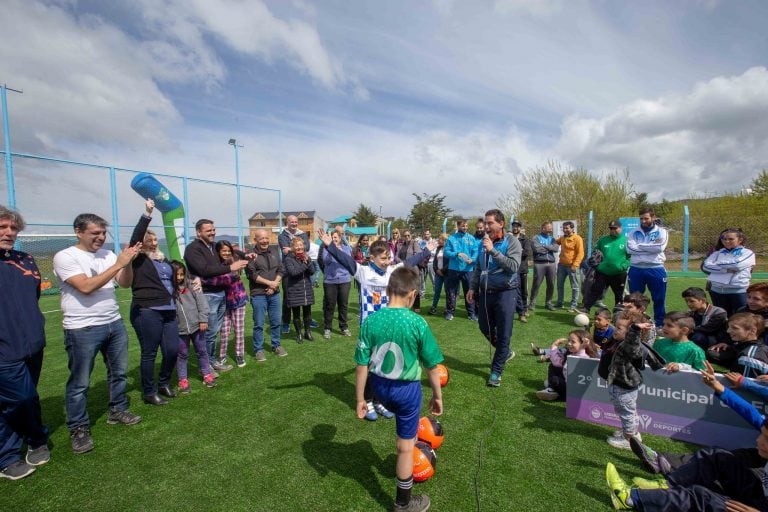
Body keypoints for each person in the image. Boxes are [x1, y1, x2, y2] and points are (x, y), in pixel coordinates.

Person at [606, 360, 768, 511]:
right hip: (760, 492)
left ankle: (629, 498)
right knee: (717, 456)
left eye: (766, 439)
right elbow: (752, 415)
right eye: (762, 435)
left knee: (702, 496)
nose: (758, 439)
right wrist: (718, 387)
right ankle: (666, 483)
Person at [353, 266, 444, 512]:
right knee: (405, 446)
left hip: (379, 388)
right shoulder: (417, 322)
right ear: (412, 294)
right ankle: (403, 504)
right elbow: (432, 367)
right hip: (407, 392)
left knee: (406, 437)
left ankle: (391, 421)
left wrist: (361, 398)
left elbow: (361, 365)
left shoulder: (371, 320)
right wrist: (437, 396)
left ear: (388, 289)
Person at [53, 211, 143, 454]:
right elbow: (86, 287)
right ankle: (79, 428)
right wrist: (119, 264)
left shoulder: (108, 254)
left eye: (103, 232)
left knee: (119, 373)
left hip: (113, 322)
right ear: (78, 232)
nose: (101, 237)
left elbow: (124, 283)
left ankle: (117, 410)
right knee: (80, 382)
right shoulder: (65, 256)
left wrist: (129, 262)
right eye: (95, 233)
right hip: (82, 327)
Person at [318, 229, 430, 421]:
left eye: (389, 258)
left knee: (382, 364)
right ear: (371, 257)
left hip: (388, 324)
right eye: (384, 258)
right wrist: (329, 245)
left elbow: (409, 262)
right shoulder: (363, 271)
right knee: (370, 365)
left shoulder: (391, 271)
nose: (387, 262)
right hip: (370, 327)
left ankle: (379, 401)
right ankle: (368, 401)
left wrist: (428, 251)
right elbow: (345, 260)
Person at [0, 206, 49, 479]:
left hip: (32, 343)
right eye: (2, 227)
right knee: (20, 398)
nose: (9, 232)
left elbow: (33, 299)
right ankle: (7, 457)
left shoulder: (25, 259)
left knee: (27, 395)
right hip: (4, 349)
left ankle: (35, 440)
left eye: (13, 228)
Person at [128, 200, 180, 406]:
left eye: (156, 238)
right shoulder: (139, 259)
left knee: (172, 350)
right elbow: (136, 239)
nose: (154, 242)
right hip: (147, 310)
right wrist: (147, 214)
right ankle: (149, 392)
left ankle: (164, 382)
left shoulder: (162, 259)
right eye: (150, 239)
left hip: (169, 309)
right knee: (150, 352)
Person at [466, 209, 522, 387]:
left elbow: (513, 266)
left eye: (490, 223)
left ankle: (496, 371)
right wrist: (472, 287)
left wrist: (493, 252)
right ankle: (504, 352)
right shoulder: (483, 242)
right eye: (486, 223)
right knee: (484, 327)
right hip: (485, 292)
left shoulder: (512, 241)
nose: (486, 227)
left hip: (506, 292)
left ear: (501, 223)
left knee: (504, 333)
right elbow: (478, 267)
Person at [184, 219, 247, 373]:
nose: (212, 232)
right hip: (206, 295)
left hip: (220, 293)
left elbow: (228, 252)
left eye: (213, 229)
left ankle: (211, 362)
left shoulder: (213, 246)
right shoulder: (192, 249)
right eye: (208, 230)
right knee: (208, 332)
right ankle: (205, 366)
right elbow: (204, 270)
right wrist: (231, 267)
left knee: (214, 331)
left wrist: (246, 254)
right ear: (199, 232)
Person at [599, 312, 658, 450]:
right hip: (618, 384)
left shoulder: (630, 347)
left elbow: (632, 342)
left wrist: (635, 330)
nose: (615, 329)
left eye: (620, 328)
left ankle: (629, 439)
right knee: (626, 411)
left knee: (627, 412)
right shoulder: (617, 342)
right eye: (616, 326)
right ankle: (631, 432)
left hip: (624, 386)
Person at [170, 261, 216, 393]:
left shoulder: (192, 285)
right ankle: (183, 380)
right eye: (176, 275)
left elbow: (202, 303)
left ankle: (207, 374)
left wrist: (203, 319)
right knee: (182, 354)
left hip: (197, 327)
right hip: (179, 330)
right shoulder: (168, 290)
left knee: (202, 351)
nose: (179, 277)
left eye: (181, 274)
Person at [202, 241, 248, 369]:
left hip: (239, 300)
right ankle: (222, 356)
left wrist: (248, 255)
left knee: (239, 329)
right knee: (224, 331)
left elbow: (225, 278)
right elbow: (215, 279)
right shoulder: (216, 265)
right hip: (223, 302)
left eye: (229, 251)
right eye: (224, 251)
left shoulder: (235, 261)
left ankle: (239, 354)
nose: (227, 253)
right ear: (218, 252)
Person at [245, 229, 287, 361]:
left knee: (275, 322)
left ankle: (276, 345)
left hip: (274, 293)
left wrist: (274, 284)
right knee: (259, 323)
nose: (265, 241)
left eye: (266, 238)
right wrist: (270, 283)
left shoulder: (274, 250)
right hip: (258, 295)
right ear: (255, 240)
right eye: (261, 238)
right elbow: (252, 275)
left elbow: (281, 269)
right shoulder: (251, 255)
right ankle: (259, 349)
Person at [627, 207, 669, 328]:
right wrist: (650, 247)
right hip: (636, 269)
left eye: (646, 218)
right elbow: (630, 249)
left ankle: (660, 324)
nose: (643, 221)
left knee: (659, 298)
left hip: (656, 268)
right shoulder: (633, 232)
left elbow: (659, 248)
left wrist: (639, 247)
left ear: (653, 217)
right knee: (635, 299)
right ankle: (636, 321)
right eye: (641, 219)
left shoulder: (662, 232)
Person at [702, 228, 756, 316]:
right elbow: (706, 266)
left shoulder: (748, 253)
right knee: (722, 317)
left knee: (740, 317)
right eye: (724, 239)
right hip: (716, 290)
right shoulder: (717, 253)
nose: (727, 241)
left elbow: (737, 265)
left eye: (731, 239)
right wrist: (725, 269)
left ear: (740, 240)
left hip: (738, 291)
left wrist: (716, 264)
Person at [536, 329, 598, 401]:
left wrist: (582, 348)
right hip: (567, 382)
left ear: (583, 344)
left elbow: (580, 356)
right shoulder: (570, 353)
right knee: (553, 366)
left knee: (554, 380)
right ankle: (551, 389)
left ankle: (557, 394)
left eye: (573, 342)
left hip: (575, 390)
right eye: (569, 340)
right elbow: (556, 362)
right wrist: (554, 345)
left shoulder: (585, 357)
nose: (569, 343)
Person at [583, 220, 630, 313]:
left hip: (619, 273)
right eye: (611, 228)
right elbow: (595, 252)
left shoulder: (626, 241)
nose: (612, 230)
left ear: (620, 228)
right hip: (602, 272)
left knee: (619, 294)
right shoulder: (603, 240)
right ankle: (586, 309)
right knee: (595, 291)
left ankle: (618, 313)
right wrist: (597, 264)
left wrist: (624, 265)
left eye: (615, 228)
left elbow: (630, 256)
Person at [277, 214, 313, 334]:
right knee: (288, 297)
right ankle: (286, 322)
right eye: (291, 222)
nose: (294, 224)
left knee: (305, 295)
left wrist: (292, 248)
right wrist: (297, 247)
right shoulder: (282, 235)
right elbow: (285, 249)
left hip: (302, 268)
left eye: (296, 222)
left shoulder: (302, 234)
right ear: (287, 222)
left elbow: (306, 247)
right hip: (289, 270)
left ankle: (308, 320)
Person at [707, 312, 768, 377]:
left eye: (735, 328)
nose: (728, 331)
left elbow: (746, 384)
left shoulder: (749, 358)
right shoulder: (745, 344)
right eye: (729, 327)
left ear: (752, 331)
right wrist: (730, 347)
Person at [443, 219, 479, 321]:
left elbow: (475, 252)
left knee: (469, 292)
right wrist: (456, 254)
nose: (465, 228)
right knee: (451, 291)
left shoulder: (471, 238)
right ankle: (450, 312)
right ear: (458, 226)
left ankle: (471, 313)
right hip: (454, 269)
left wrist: (472, 259)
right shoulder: (451, 238)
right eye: (463, 226)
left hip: (468, 269)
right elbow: (446, 252)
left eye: (466, 226)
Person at [283, 237, 316, 343]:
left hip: (306, 289)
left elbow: (312, 272)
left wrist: (309, 262)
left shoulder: (306, 257)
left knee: (307, 314)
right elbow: (293, 272)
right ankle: (299, 334)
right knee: (296, 314)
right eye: (297, 246)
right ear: (292, 247)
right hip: (294, 290)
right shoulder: (288, 259)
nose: (300, 247)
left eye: (301, 245)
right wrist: (305, 264)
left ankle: (307, 332)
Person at [321, 230, 352, 339]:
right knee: (330, 305)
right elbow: (325, 261)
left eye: (335, 237)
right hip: (330, 281)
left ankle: (343, 327)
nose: (334, 239)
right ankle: (327, 328)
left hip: (344, 280)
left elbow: (347, 260)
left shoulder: (346, 248)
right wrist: (331, 250)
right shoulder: (326, 249)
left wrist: (338, 251)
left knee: (343, 305)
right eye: (332, 238)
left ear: (340, 238)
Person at [554, 221, 585, 312]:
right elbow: (555, 241)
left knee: (574, 286)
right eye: (563, 228)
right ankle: (560, 303)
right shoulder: (562, 238)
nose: (564, 230)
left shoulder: (577, 238)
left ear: (572, 228)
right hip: (561, 265)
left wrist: (575, 265)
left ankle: (573, 305)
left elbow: (581, 253)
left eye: (567, 228)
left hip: (572, 266)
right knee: (559, 285)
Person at [529, 221, 558, 312]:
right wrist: (549, 248)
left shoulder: (552, 239)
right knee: (536, 284)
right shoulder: (536, 238)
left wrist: (545, 247)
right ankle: (532, 303)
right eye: (548, 227)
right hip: (539, 264)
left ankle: (548, 303)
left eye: (551, 227)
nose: (551, 228)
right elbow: (537, 249)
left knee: (551, 284)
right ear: (543, 228)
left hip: (551, 264)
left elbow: (556, 248)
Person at [510, 220, 531, 322]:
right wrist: (519, 251)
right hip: (511, 269)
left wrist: (514, 252)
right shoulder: (508, 238)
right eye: (514, 226)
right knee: (513, 290)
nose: (515, 228)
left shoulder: (525, 239)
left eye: (517, 226)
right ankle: (516, 309)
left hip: (522, 269)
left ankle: (524, 309)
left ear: (520, 228)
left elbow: (526, 253)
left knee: (523, 291)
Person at [398, 231, 424, 312]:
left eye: (408, 235)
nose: (407, 237)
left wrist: (408, 262)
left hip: (413, 269)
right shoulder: (401, 245)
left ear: (411, 235)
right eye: (405, 235)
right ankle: (407, 305)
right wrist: (402, 262)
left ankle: (416, 307)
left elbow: (418, 255)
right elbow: (396, 256)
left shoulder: (414, 243)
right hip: (403, 269)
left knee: (415, 288)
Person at [428, 233, 449, 316]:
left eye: (440, 239)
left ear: (444, 240)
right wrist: (436, 270)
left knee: (448, 292)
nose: (438, 240)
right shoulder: (438, 248)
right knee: (437, 291)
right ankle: (434, 307)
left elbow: (450, 262)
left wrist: (443, 271)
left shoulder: (449, 249)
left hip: (447, 274)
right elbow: (435, 261)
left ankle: (448, 308)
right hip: (438, 274)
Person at [419, 229, 438, 300]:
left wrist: (427, 252)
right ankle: (422, 294)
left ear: (430, 234)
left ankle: (436, 294)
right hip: (423, 263)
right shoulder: (422, 242)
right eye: (425, 234)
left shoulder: (434, 242)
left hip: (431, 263)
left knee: (433, 279)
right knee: (422, 280)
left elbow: (435, 253)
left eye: (427, 234)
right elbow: (420, 252)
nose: (426, 235)